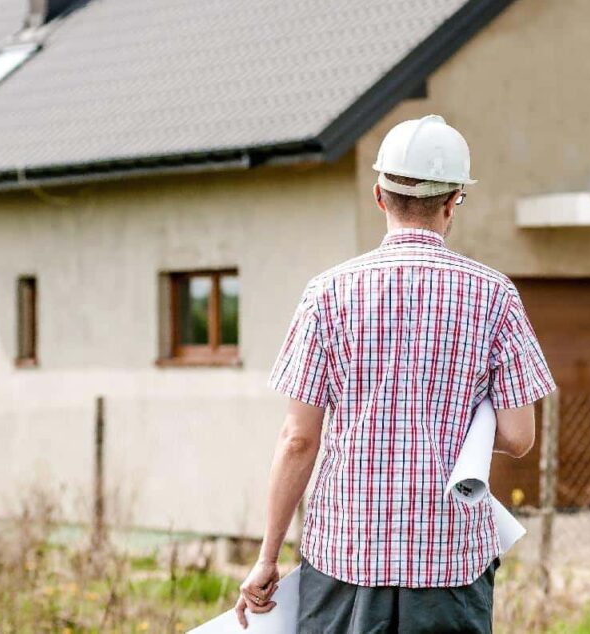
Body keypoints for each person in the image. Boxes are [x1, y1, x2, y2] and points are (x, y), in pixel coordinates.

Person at [235, 114, 556, 633]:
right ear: (453, 202)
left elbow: (298, 439)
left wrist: (267, 557)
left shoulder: (327, 294)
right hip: (450, 562)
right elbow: (519, 436)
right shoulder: (496, 295)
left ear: (380, 196)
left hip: (345, 556)